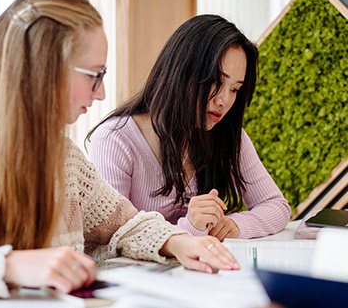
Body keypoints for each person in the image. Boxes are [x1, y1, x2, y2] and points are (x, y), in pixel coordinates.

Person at [0, 0, 240, 299]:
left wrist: (179, 241)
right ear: (45, 69)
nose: (102, 93)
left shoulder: (63, 157)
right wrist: (10, 265)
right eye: (95, 74)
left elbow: (126, 223)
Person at [87, 14, 291, 240]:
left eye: (234, 89)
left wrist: (235, 224)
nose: (224, 100)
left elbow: (276, 206)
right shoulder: (115, 139)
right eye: (216, 81)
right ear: (181, 72)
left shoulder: (227, 135)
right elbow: (113, 239)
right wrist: (191, 228)